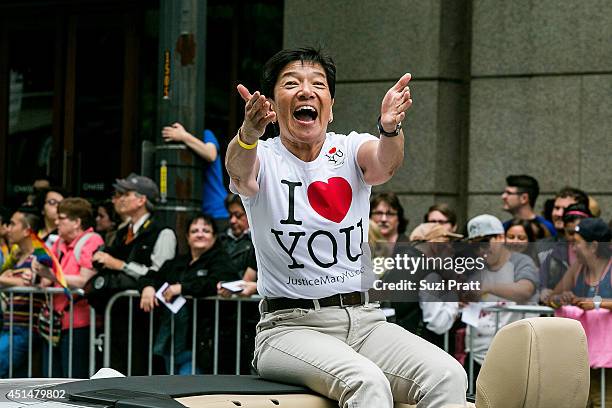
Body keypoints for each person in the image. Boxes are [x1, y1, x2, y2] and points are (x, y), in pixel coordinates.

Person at [225, 47, 466, 407]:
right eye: (291, 83)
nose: (306, 91)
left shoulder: (351, 148)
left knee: (448, 376)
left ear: (331, 106)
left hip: (366, 321)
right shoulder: (264, 156)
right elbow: (239, 172)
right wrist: (248, 132)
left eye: (317, 84)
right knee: (366, 382)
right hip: (290, 327)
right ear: (272, 106)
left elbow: (385, 163)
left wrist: (389, 127)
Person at [92, 173, 177, 375]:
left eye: (125, 194)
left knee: (140, 372)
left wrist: (119, 265)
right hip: (118, 315)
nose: (118, 199)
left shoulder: (162, 232)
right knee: (114, 371)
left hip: (145, 320)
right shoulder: (122, 233)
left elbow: (160, 275)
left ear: (141, 200)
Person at [138, 214, 237, 374]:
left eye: (206, 231)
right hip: (172, 339)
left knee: (188, 389)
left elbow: (223, 282)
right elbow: (152, 277)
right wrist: (148, 287)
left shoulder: (221, 260)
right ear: (187, 236)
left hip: (201, 342)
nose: (200, 234)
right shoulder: (178, 262)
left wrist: (182, 288)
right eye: (194, 231)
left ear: (214, 237)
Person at [34, 197, 104, 378]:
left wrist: (50, 274)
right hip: (54, 322)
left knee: (73, 380)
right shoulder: (58, 242)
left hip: (79, 323)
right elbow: (46, 282)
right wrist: (38, 270)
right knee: (50, 381)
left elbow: (82, 281)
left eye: (61, 217)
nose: (56, 222)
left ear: (77, 222)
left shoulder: (92, 240)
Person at [465, 214, 539, 379]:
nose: (481, 250)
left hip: (515, 357)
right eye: (476, 246)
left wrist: (488, 287)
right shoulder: (477, 266)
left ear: (500, 238)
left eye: (485, 244)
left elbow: (525, 290)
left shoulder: (521, 262)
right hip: (477, 355)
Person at [547, 218, 611, 407]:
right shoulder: (578, 268)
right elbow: (551, 298)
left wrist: (597, 303)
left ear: (593, 246)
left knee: (604, 401)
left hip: (608, 359)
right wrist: (562, 298)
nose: (572, 248)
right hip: (584, 355)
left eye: (577, 243)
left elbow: (596, 303)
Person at [0, 209, 44, 378]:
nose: (8, 228)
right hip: (9, 325)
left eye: (13, 224)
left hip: (24, 328)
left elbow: (30, 283)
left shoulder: (39, 255)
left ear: (27, 231)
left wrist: (5, 279)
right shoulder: (17, 255)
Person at [161, 123, 229, 228]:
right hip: (195, 214)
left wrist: (183, 136)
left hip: (216, 211)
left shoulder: (205, 134)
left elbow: (211, 154)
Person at [539, 203, 592, 304]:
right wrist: (551, 295)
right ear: (564, 230)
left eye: (579, 233)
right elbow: (544, 288)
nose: (574, 238)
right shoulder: (554, 255)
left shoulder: (597, 256)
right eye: (571, 233)